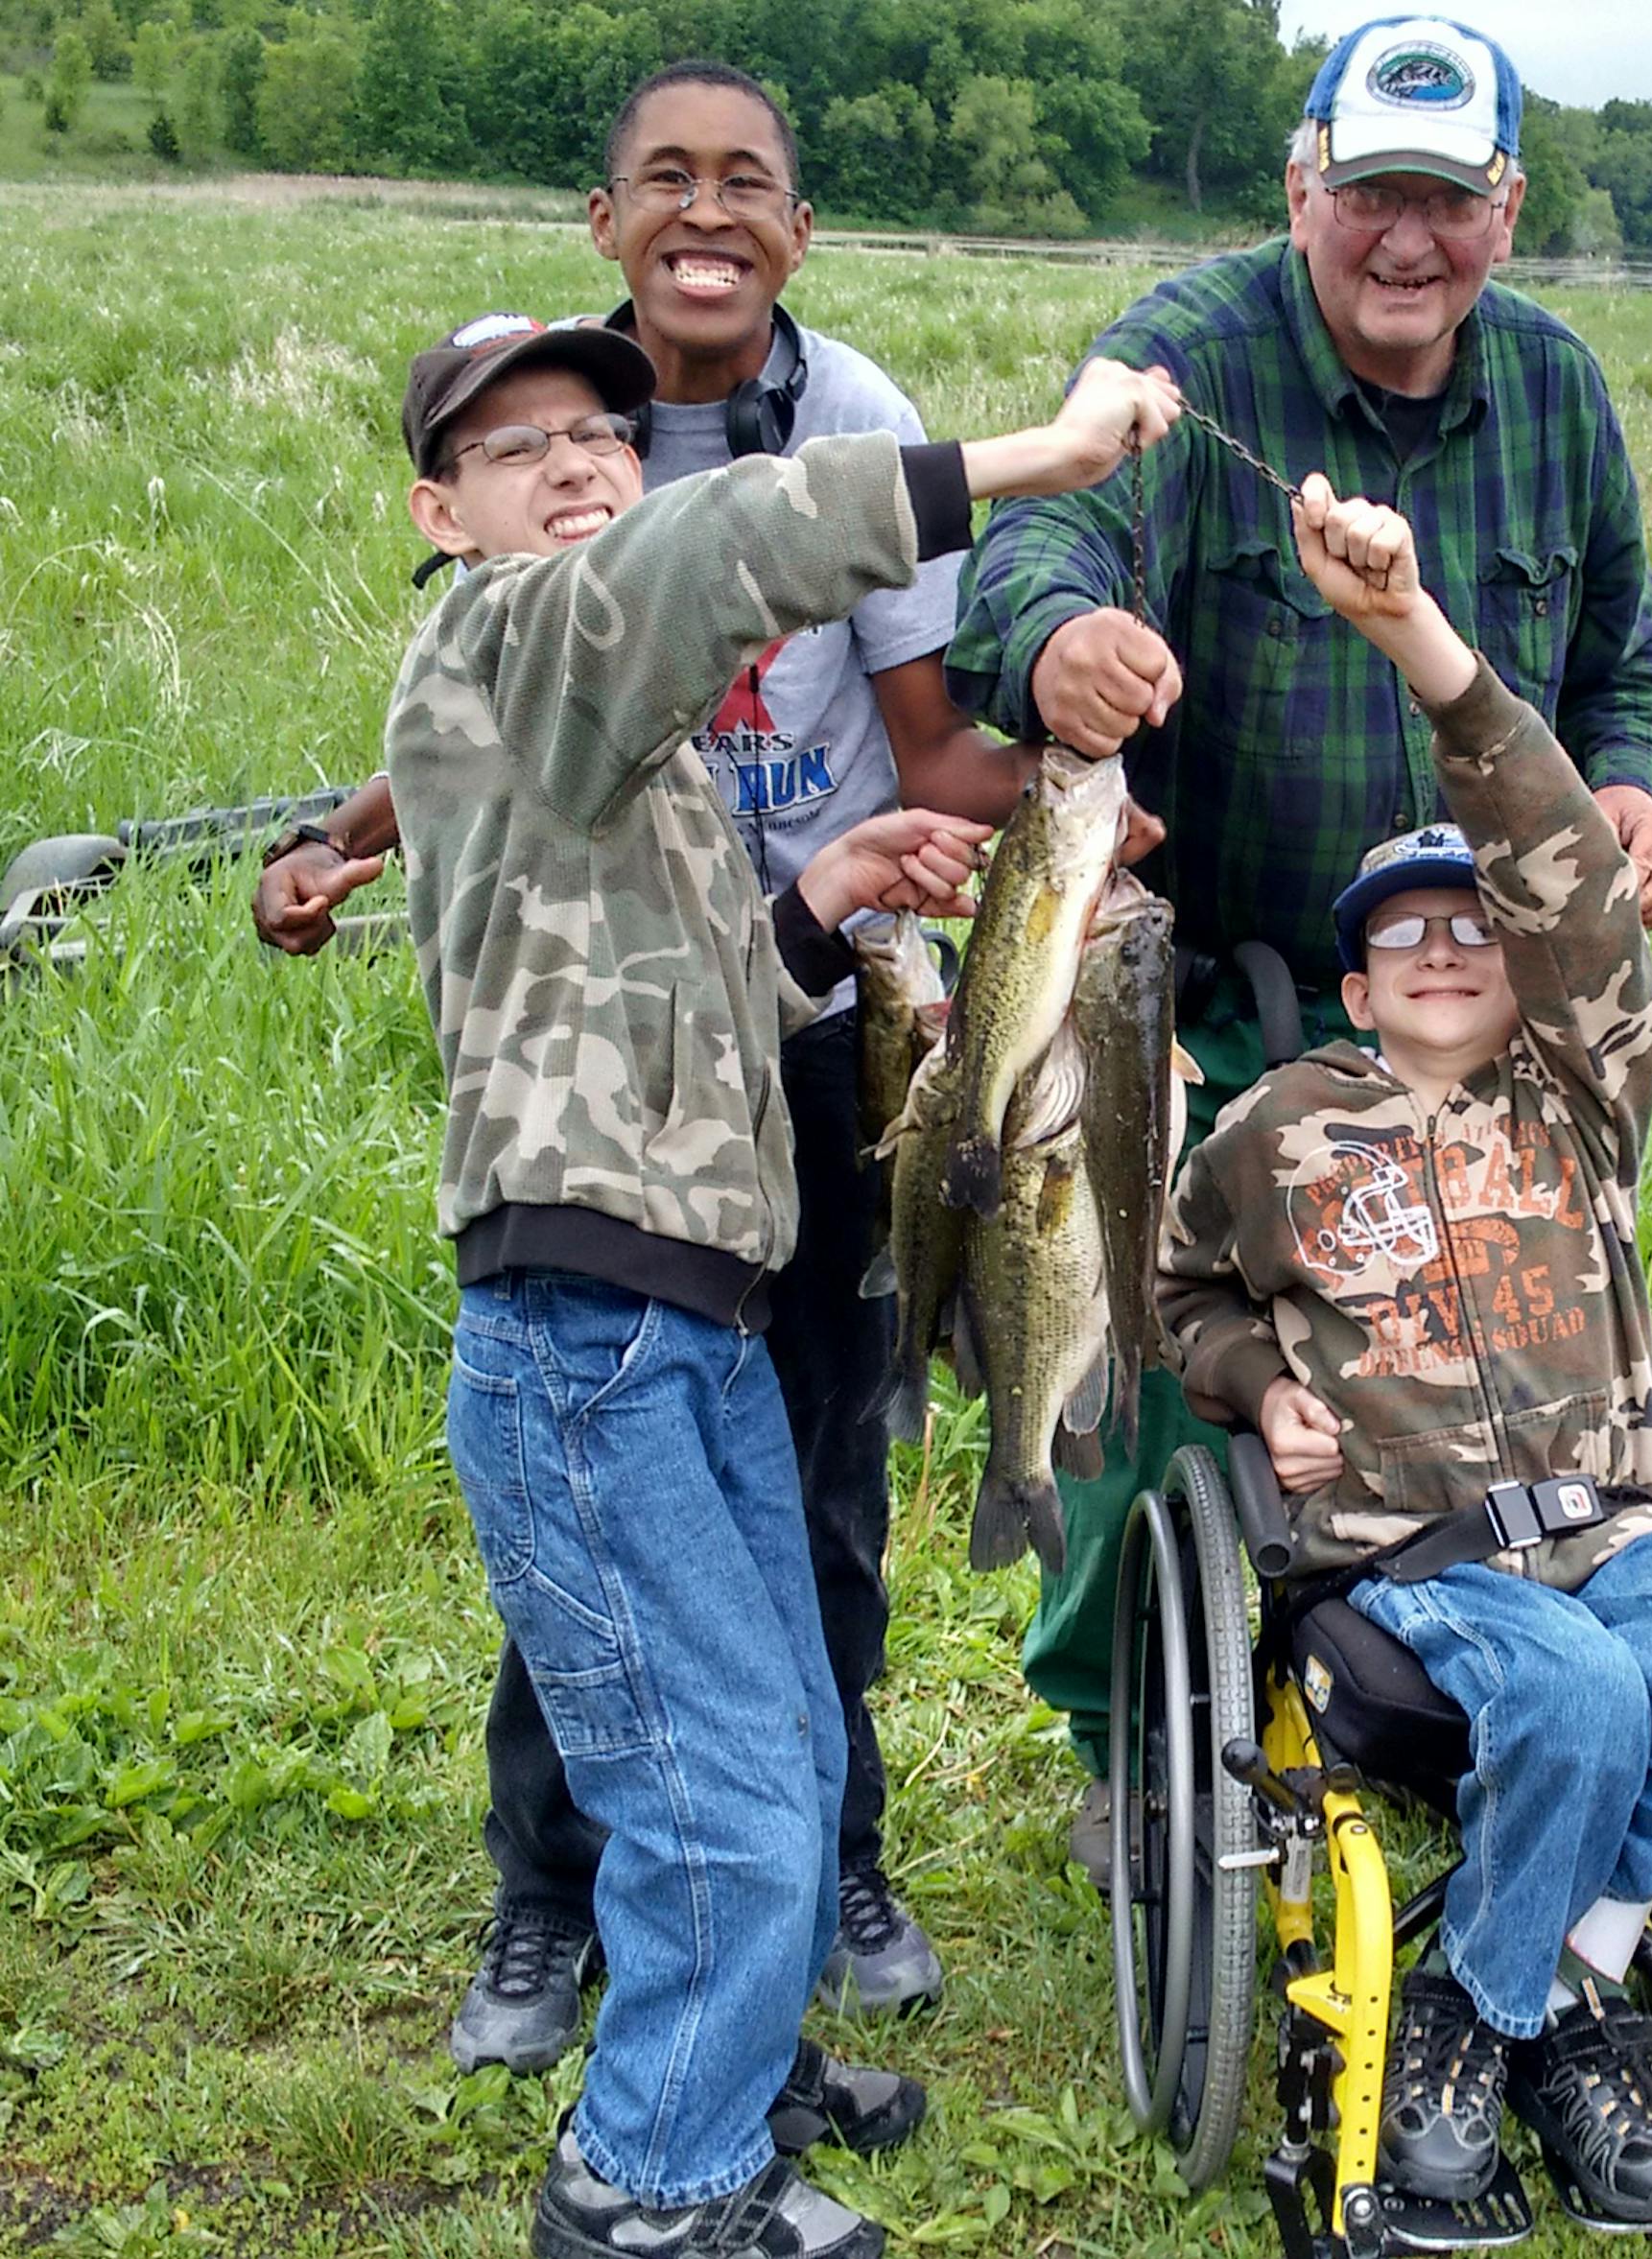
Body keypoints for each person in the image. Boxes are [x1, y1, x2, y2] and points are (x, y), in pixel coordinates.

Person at [255, 60, 1102, 2051]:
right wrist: (351, 836)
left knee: (807, 1480)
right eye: (664, 179)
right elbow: (571, 656)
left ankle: (825, 1858)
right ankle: (551, 1902)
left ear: (800, 229)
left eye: (749, 183)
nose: (706, 210)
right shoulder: (570, 503)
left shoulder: (852, 413)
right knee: (608, 1530)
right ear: (607, 222)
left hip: (799, 1014)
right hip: (599, 1143)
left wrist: (1051, 794)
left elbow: (904, 714)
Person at [377, 309, 1178, 2259]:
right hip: (592, 1332)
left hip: (700, 1308)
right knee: (715, 1780)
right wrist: (1030, 467)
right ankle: (647, 2181)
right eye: (518, 446)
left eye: (599, 433)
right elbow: (715, 544)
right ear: (439, 507)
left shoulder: (613, 737)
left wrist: (825, 899)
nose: (576, 463)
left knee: (796, 1736)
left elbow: (702, 1003)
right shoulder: (505, 637)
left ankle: (728, 2056)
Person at [943, 13, 1652, 1872]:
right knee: (1141, 1319)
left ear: (1503, 209)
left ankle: (1467, 1646)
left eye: (1445, 197)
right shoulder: (1190, 353)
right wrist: (1056, 648)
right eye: (1371, 193)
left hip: (1473, 995)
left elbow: (1629, 666)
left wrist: (1630, 783)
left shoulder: (1557, 391)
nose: (1406, 237)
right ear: (1304, 187)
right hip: (1207, 978)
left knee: (1476, 1306)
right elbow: (1037, 544)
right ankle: (1135, 1725)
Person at [1157, 476, 1652, 2224]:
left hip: (1616, 1519)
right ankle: (1507, 2020)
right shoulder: (1279, 1129)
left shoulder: (1582, 1100)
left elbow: (1569, 879)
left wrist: (1425, 648)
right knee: (1578, 1700)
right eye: (1399, 937)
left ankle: (1540, 1993)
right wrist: (1254, 1387)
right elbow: (1181, 1295)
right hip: (1411, 1558)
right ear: (1355, 991)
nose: (1442, 948)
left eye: (1472, 931)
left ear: (1529, 977)